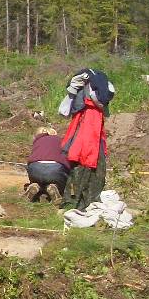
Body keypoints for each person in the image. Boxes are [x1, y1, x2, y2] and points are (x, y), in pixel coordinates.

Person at [58, 68, 115, 210]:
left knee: (85, 167)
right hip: (87, 138)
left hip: (89, 137)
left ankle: (80, 201)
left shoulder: (89, 107)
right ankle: (79, 202)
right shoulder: (92, 109)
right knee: (82, 166)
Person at [24, 127, 70, 203]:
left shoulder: (37, 141)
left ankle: (35, 186)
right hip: (55, 169)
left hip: (35, 168)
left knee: (38, 179)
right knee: (60, 181)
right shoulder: (61, 140)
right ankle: (55, 188)